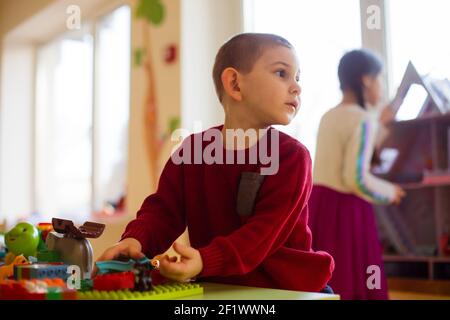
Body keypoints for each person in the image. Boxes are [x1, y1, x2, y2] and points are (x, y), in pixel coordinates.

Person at [94, 33, 334, 293]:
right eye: (281, 73)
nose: (296, 87)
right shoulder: (193, 151)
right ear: (235, 84)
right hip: (216, 283)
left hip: (285, 288)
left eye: (298, 78)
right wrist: (135, 241)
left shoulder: (292, 158)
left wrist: (204, 260)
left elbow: (262, 233)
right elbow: (162, 211)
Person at [308, 49, 406, 300]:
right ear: (366, 80)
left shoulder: (328, 116)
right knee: (355, 281)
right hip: (347, 212)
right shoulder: (363, 120)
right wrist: (389, 192)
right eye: (381, 78)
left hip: (320, 207)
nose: (383, 88)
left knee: (329, 280)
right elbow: (356, 179)